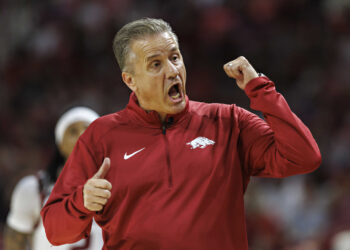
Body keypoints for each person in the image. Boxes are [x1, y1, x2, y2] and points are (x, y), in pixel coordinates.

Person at [41, 18, 322, 250]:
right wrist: (82, 201)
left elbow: (304, 156)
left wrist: (260, 90)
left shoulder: (227, 121)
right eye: (156, 64)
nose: (173, 70)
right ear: (130, 80)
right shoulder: (101, 136)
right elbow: (55, 230)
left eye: (175, 57)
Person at [4, 107, 103, 250]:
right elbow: (14, 242)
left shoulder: (120, 188)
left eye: (88, 129)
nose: (82, 135)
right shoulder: (34, 188)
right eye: (73, 132)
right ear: (60, 145)